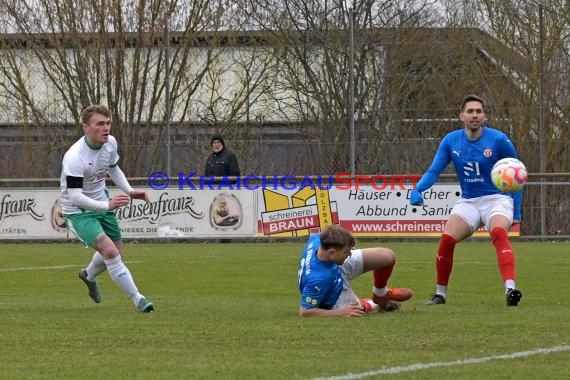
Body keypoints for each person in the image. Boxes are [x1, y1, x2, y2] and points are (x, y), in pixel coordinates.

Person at [410, 94, 523, 307]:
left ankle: (510, 289)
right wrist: (418, 189)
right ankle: (440, 294)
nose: (474, 115)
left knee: (498, 233)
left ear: (485, 116)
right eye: (470, 111)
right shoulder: (451, 140)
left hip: (497, 198)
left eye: (479, 112)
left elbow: (517, 176)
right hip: (469, 200)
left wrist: (516, 212)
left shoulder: (499, 140)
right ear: (461, 116)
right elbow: (435, 170)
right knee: (447, 239)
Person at [59, 105, 155, 313]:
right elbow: (75, 196)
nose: (106, 128)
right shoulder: (75, 157)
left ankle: (88, 275)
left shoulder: (110, 143)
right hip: (78, 211)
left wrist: (130, 191)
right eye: (100, 124)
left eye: (108, 123)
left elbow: (113, 168)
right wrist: (107, 204)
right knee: (110, 251)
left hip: (102, 203)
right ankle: (138, 299)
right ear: (86, 127)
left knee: (117, 252)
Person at [297, 224, 413, 317]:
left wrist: (345, 248)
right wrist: (338, 312)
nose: (350, 254)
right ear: (332, 252)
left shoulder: (318, 239)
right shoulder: (318, 280)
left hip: (335, 266)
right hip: (332, 291)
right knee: (356, 309)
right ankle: (373, 304)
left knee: (387, 256)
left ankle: (380, 294)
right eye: (346, 252)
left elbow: (325, 234)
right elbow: (305, 312)